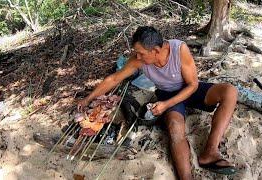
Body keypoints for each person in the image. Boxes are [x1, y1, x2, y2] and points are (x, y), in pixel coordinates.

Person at [78, 26, 238, 179]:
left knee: (230, 92)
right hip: (166, 94)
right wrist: (88, 99)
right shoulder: (139, 60)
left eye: (141, 53)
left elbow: (193, 85)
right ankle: (186, 177)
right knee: (175, 129)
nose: (137, 57)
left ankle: (210, 151)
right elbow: (114, 78)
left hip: (189, 89)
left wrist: (166, 105)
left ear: (155, 50)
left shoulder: (178, 49)